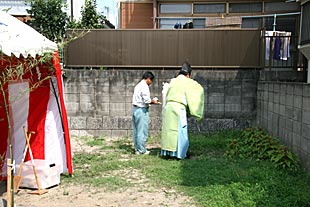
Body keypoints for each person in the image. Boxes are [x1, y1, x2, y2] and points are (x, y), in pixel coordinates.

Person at [161, 62, 204, 159]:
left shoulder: (173, 81)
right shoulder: (188, 81)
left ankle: (168, 153)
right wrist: (195, 110)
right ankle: (181, 154)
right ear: (188, 74)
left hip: (168, 108)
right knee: (181, 131)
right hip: (178, 108)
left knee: (169, 131)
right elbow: (199, 90)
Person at [132, 71, 158, 155]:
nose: (151, 83)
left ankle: (137, 149)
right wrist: (154, 101)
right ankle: (142, 150)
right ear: (148, 79)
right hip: (142, 110)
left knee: (136, 131)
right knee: (142, 131)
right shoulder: (144, 86)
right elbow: (147, 100)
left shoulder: (138, 85)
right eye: (151, 81)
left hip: (135, 109)